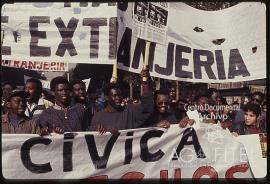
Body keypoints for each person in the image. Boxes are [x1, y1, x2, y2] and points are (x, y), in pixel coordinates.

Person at [89, 68, 154, 133]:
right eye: (114, 95)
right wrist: (96, 130)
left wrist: (145, 84)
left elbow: (147, 108)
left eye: (120, 95)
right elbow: (89, 137)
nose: (118, 98)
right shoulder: (98, 117)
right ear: (106, 97)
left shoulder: (129, 111)